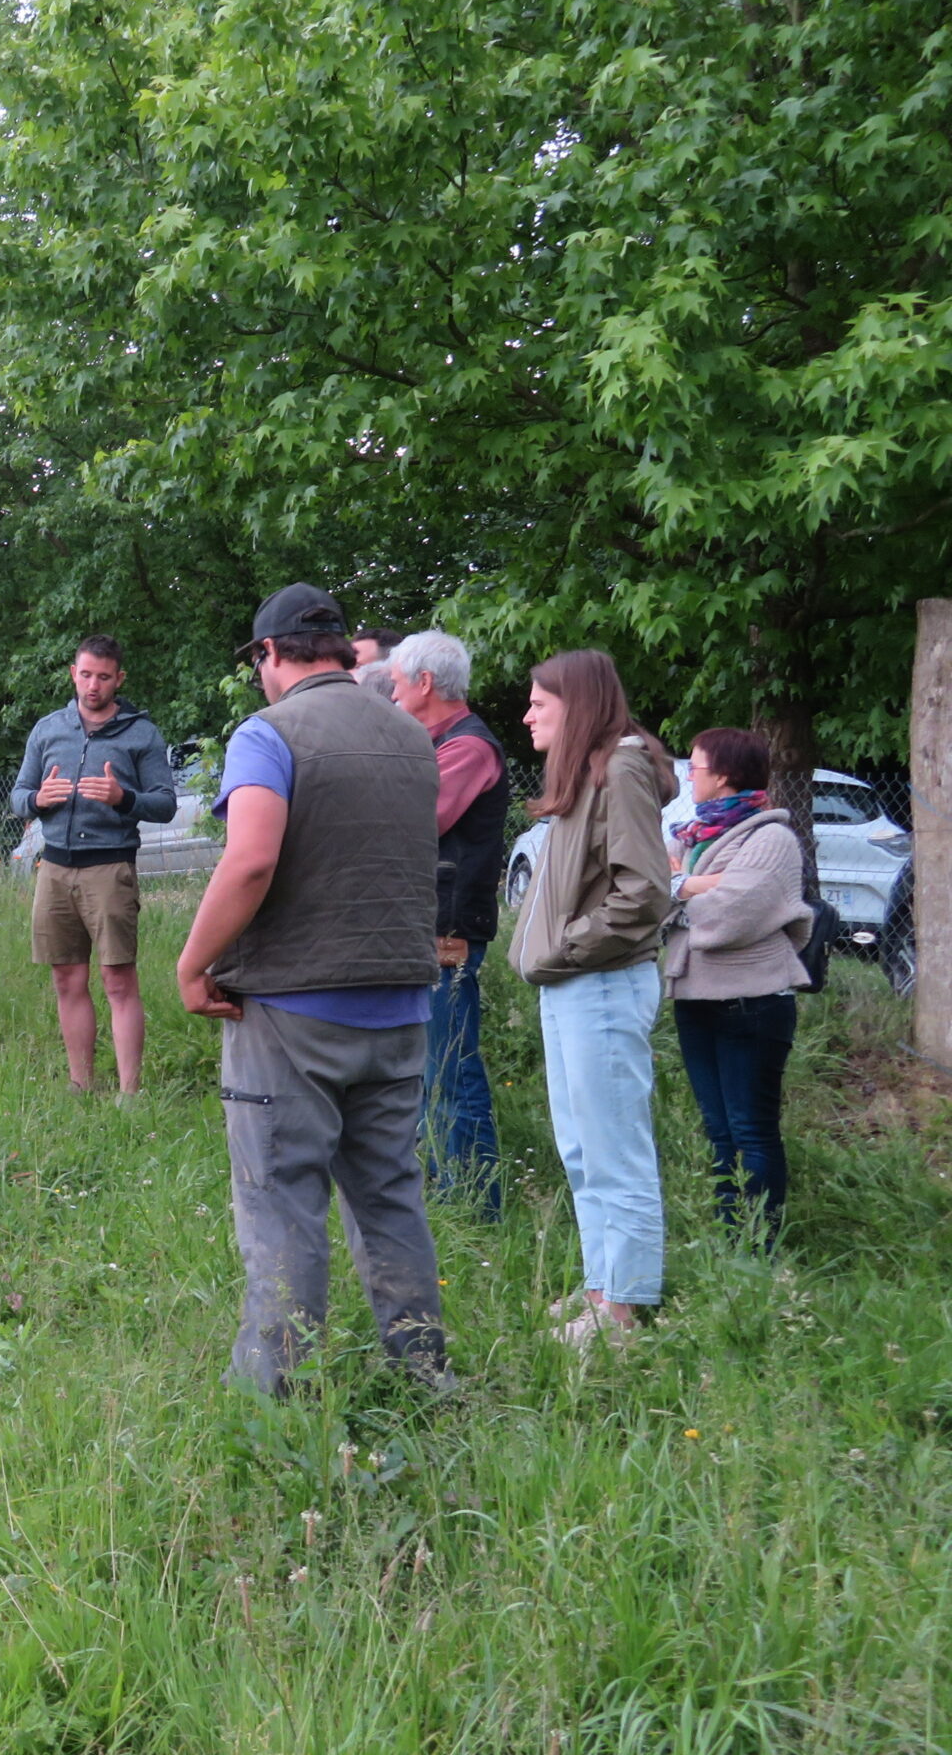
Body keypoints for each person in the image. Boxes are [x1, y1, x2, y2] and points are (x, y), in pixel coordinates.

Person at [175, 584, 450, 1396]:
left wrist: (193, 964)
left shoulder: (268, 733)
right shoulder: (412, 736)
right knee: (390, 1198)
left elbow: (251, 859)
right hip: (400, 1005)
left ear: (268, 653)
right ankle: (424, 1375)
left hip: (293, 1011)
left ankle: (276, 1397)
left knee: (283, 1203)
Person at [510, 649, 678, 1349]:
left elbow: (644, 893)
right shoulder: (586, 772)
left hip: (602, 983)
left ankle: (624, 1312)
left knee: (615, 1152)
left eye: (539, 703)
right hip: (574, 985)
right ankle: (603, 1288)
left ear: (576, 704)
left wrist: (566, 947)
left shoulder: (621, 768)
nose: (527, 715)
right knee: (583, 1150)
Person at [663, 726, 811, 1243]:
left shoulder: (771, 839)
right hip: (695, 997)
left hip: (753, 1002)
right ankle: (731, 1241)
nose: (689, 776)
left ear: (724, 775)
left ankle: (760, 1246)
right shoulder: (692, 836)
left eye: (695, 767)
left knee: (751, 1129)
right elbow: (651, 897)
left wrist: (679, 887)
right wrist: (690, 887)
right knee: (719, 1129)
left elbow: (732, 915)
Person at [10, 636, 177, 1091]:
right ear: (73, 673)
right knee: (67, 978)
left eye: (103, 677)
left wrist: (124, 798)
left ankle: (129, 1092)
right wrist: (37, 799)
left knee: (117, 980)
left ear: (119, 679)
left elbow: (165, 804)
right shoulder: (49, 729)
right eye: (85, 675)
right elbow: (18, 796)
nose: (93, 685)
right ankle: (81, 1084)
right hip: (54, 869)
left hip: (110, 869)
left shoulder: (141, 733)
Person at [389, 630, 510, 1214]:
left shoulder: (468, 748)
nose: (391, 695)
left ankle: (477, 1205)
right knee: (426, 1071)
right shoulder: (437, 743)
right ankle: (442, 1193)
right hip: (429, 924)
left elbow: (415, 819)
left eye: (395, 684)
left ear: (424, 683)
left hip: (449, 929)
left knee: (451, 1071)